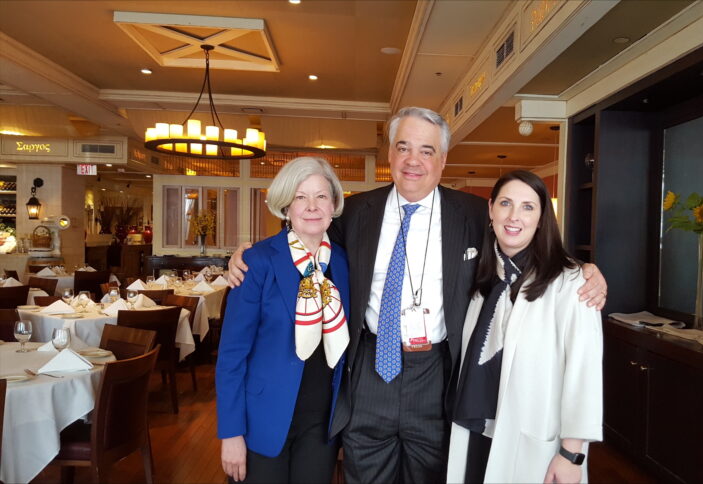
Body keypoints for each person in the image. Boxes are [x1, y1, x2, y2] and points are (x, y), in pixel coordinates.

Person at [227, 107, 608, 483]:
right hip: (369, 368)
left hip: (437, 374)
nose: (413, 160)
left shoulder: (475, 214)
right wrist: (246, 253)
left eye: (426, 151)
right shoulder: (355, 213)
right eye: (403, 147)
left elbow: (522, 240)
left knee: (432, 473)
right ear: (390, 153)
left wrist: (583, 271)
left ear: (442, 160)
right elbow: (306, 238)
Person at [447, 170, 602, 484]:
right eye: (505, 203)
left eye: (528, 207)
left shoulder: (572, 282)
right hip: (478, 433)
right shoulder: (483, 279)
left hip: (536, 446)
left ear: (543, 217)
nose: (514, 216)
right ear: (490, 210)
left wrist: (572, 455)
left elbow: (584, 373)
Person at [216, 157, 350, 483]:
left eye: (321, 196)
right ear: (286, 206)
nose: (312, 206)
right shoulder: (257, 261)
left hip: (321, 425)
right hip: (263, 419)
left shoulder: (343, 263)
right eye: (300, 197)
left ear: (333, 204)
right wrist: (231, 433)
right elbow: (232, 355)